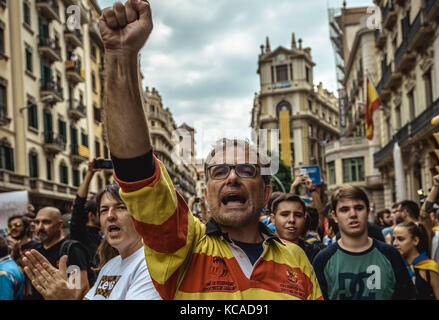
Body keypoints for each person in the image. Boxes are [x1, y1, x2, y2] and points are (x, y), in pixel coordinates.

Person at [99, 0, 322, 300]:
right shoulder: (184, 248)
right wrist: (121, 56)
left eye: (246, 170)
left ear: (267, 193)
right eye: (219, 171)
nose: (232, 178)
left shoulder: (297, 259)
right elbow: (139, 176)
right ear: (206, 194)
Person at [22, 184, 162, 300]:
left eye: (120, 207)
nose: (110, 216)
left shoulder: (150, 266)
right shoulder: (110, 265)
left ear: (139, 215)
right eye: (104, 210)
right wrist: (63, 291)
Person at [312, 185, 416, 300]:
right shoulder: (323, 260)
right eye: (344, 210)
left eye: (359, 208)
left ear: (367, 211)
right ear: (334, 216)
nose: (353, 214)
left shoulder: (390, 254)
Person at [29, 206, 90, 299]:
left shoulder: (72, 250)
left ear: (59, 225)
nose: (40, 227)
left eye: (46, 222)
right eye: (37, 222)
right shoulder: (36, 249)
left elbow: (80, 288)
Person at [393, 221, 439, 300]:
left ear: (415, 240)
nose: (394, 243)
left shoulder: (430, 268)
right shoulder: (394, 266)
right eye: (393, 239)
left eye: (400, 239)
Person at [269, 193, 322, 263]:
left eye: (298, 215)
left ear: (304, 220)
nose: (292, 220)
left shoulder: (314, 254)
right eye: (285, 214)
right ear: (273, 219)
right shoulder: (263, 251)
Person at [70, 159, 103, 267]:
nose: (108, 215)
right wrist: (90, 173)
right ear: (91, 215)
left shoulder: (105, 236)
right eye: (102, 211)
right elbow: (79, 204)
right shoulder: (81, 234)